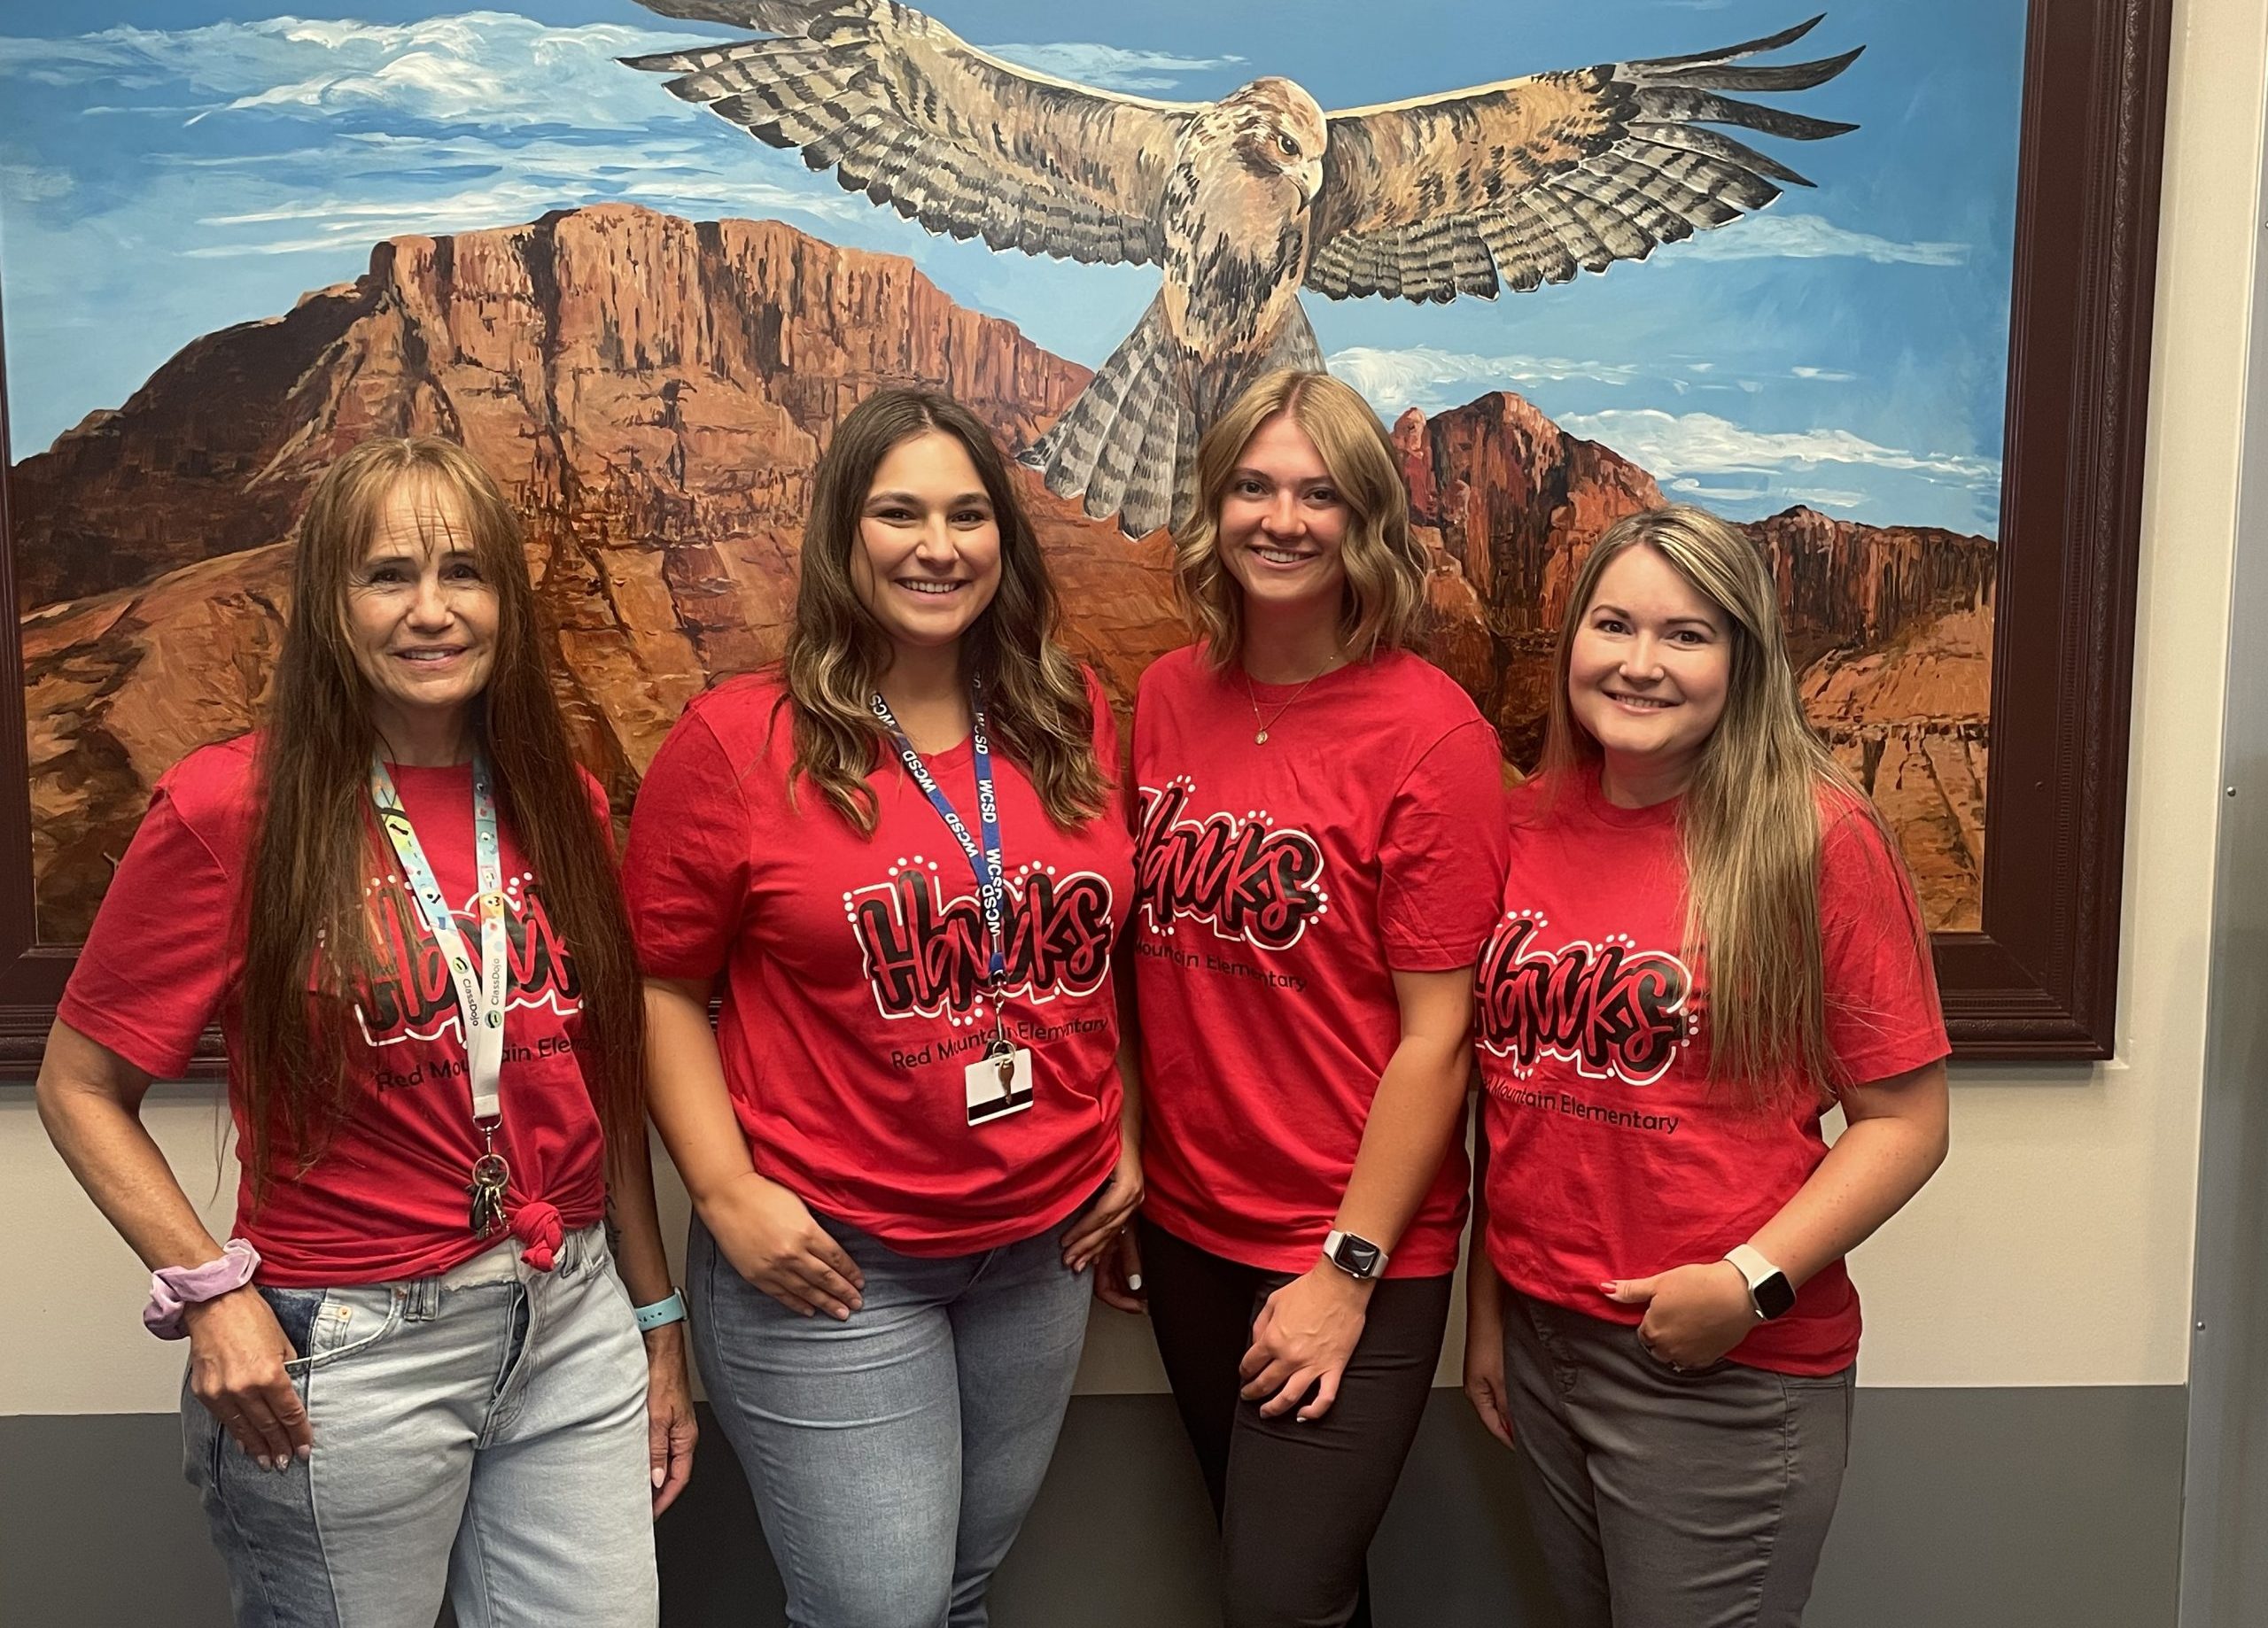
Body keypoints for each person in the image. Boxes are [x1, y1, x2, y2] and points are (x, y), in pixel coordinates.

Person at [35, 436, 695, 1628]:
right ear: (329, 605)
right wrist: (210, 1291)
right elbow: (79, 1085)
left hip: (568, 1317)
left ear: (508, 601)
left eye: (465, 574)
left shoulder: (563, 797)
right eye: (387, 575)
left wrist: (655, 1323)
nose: (432, 611)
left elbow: (605, 1091)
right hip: (351, 1351)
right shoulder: (230, 807)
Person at [625, 386, 1141, 1628]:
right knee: (883, 1610)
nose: (937, 544)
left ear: (1003, 542)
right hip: (836, 1262)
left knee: (958, 1590)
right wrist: (725, 1190)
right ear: (843, 536)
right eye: (898, 511)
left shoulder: (1068, 713)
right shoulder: (739, 741)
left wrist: (1123, 1134)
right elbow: (660, 987)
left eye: (969, 514)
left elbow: (1095, 950)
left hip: (1041, 1245)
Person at [1462, 504, 1953, 1628]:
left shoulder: (1816, 836)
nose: (1640, 664)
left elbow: (1906, 1123)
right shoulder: (1522, 823)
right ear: (1571, 640)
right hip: (1544, 1343)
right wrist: (1489, 1309)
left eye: (1686, 635)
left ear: (1743, 656)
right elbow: (1513, 1104)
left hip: (1724, 1369)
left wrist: (1746, 1283)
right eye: (1613, 624)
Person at [1120, 368, 1510, 1628]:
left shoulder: (1428, 733)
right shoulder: (1171, 696)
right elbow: (1136, 964)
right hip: (1187, 1232)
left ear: (1366, 525)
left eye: (1320, 493)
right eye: (1253, 486)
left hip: (1350, 1237)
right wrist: (1130, 1165)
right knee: (1294, 1576)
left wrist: (1346, 1269)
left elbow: (1440, 1038)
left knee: (1281, 1596)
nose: (1282, 519)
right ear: (1214, 507)